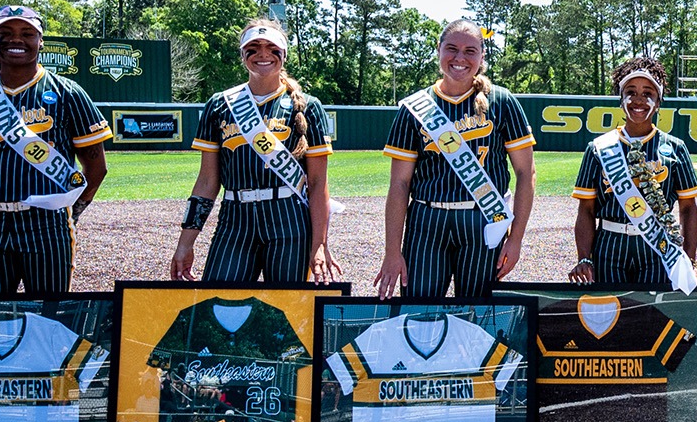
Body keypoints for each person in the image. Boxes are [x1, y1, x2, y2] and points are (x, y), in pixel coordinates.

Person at [0, 4, 109, 294]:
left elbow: (96, 167)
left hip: (47, 224)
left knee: (49, 319)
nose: (15, 40)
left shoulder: (67, 92)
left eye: (26, 33)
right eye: (5, 32)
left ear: (40, 40)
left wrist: (74, 210)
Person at [375, 20, 536, 298]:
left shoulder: (502, 102)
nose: (460, 58)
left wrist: (516, 238)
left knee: (478, 315)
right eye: (451, 49)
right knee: (419, 312)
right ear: (438, 51)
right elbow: (399, 184)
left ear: (482, 56)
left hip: (485, 220)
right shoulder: (414, 109)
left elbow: (526, 173)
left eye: (470, 51)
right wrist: (392, 251)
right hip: (427, 221)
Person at [171, 20, 339, 283]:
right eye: (254, 47)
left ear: (284, 54)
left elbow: (318, 183)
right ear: (242, 54)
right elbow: (206, 181)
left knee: (289, 312)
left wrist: (319, 244)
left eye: (272, 47)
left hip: (290, 221)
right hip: (235, 220)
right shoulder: (219, 105)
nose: (263, 54)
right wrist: (185, 242)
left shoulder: (309, 107)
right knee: (219, 302)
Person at [571, 57, 697, 287]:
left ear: (658, 101)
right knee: (612, 314)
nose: (638, 99)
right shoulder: (598, 149)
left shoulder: (675, 148)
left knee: (653, 317)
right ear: (621, 100)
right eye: (630, 92)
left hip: (657, 249)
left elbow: (688, 209)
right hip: (609, 247)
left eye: (648, 93)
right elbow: (586, 210)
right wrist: (584, 257)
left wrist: (689, 261)